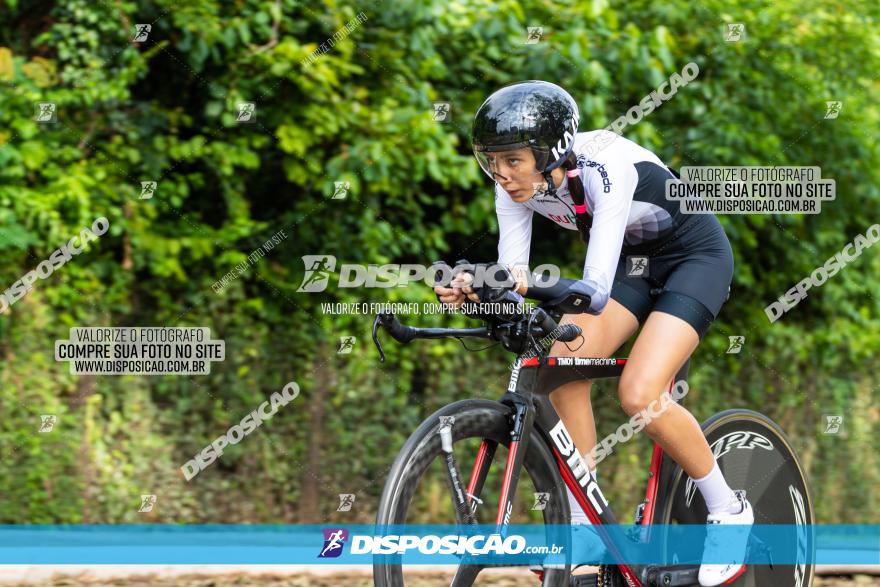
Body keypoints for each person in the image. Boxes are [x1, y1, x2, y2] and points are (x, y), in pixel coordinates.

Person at [433, 80, 752, 586]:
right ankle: (584, 524)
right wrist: (479, 289)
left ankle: (729, 509)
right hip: (634, 262)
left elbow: (595, 291)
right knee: (559, 369)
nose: (501, 173)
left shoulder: (606, 170)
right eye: (491, 161)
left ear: (550, 150)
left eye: (513, 160)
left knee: (640, 393)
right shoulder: (512, 188)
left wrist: (521, 282)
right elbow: (513, 278)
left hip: (693, 256)